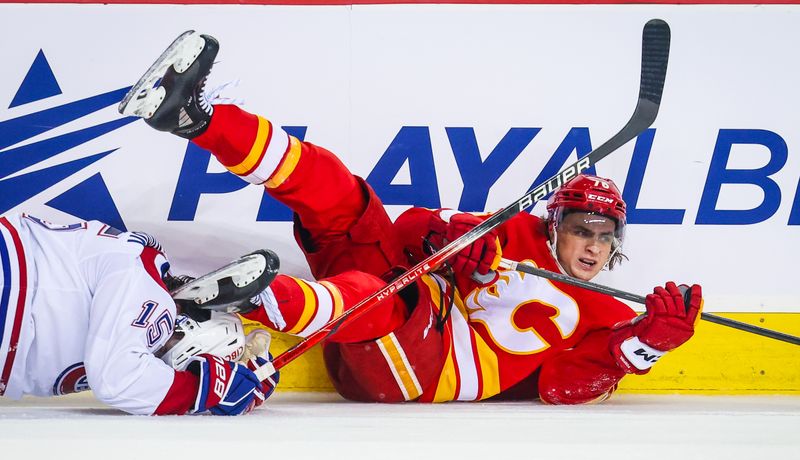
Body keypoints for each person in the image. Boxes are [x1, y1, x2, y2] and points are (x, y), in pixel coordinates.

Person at [122, 31, 703, 404]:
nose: (594, 246)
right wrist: (442, 236)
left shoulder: (608, 313)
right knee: (346, 199)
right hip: (389, 321)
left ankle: (262, 299)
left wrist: (644, 345)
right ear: (557, 224)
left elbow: (561, 388)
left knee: (384, 297)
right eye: (583, 229)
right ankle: (197, 118)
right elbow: (406, 231)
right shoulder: (515, 228)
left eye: (605, 237)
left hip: (421, 372)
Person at [0, 214, 279, 415]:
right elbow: (118, 379)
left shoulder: (140, 270)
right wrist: (204, 390)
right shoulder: (146, 284)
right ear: (184, 327)